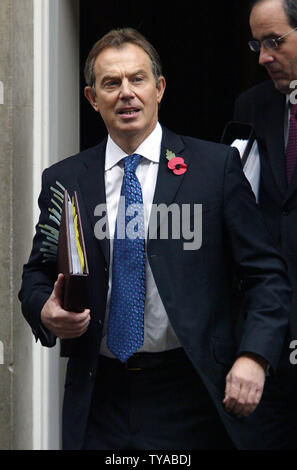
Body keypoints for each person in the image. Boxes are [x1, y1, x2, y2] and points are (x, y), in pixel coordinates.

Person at [19, 27, 291, 450]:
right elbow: (36, 274)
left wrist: (254, 355)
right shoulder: (65, 179)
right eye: (111, 83)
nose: (126, 93)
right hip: (99, 396)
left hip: (192, 390)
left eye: (137, 79)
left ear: (159, 88)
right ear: (92, 98)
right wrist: (45, 311)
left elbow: (267, 275)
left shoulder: (214, 169)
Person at [234, 0, 297, 449]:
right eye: (258, 43)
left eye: (276, 41)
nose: (263, 57)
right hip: (269, 335)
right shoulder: (251, 105)